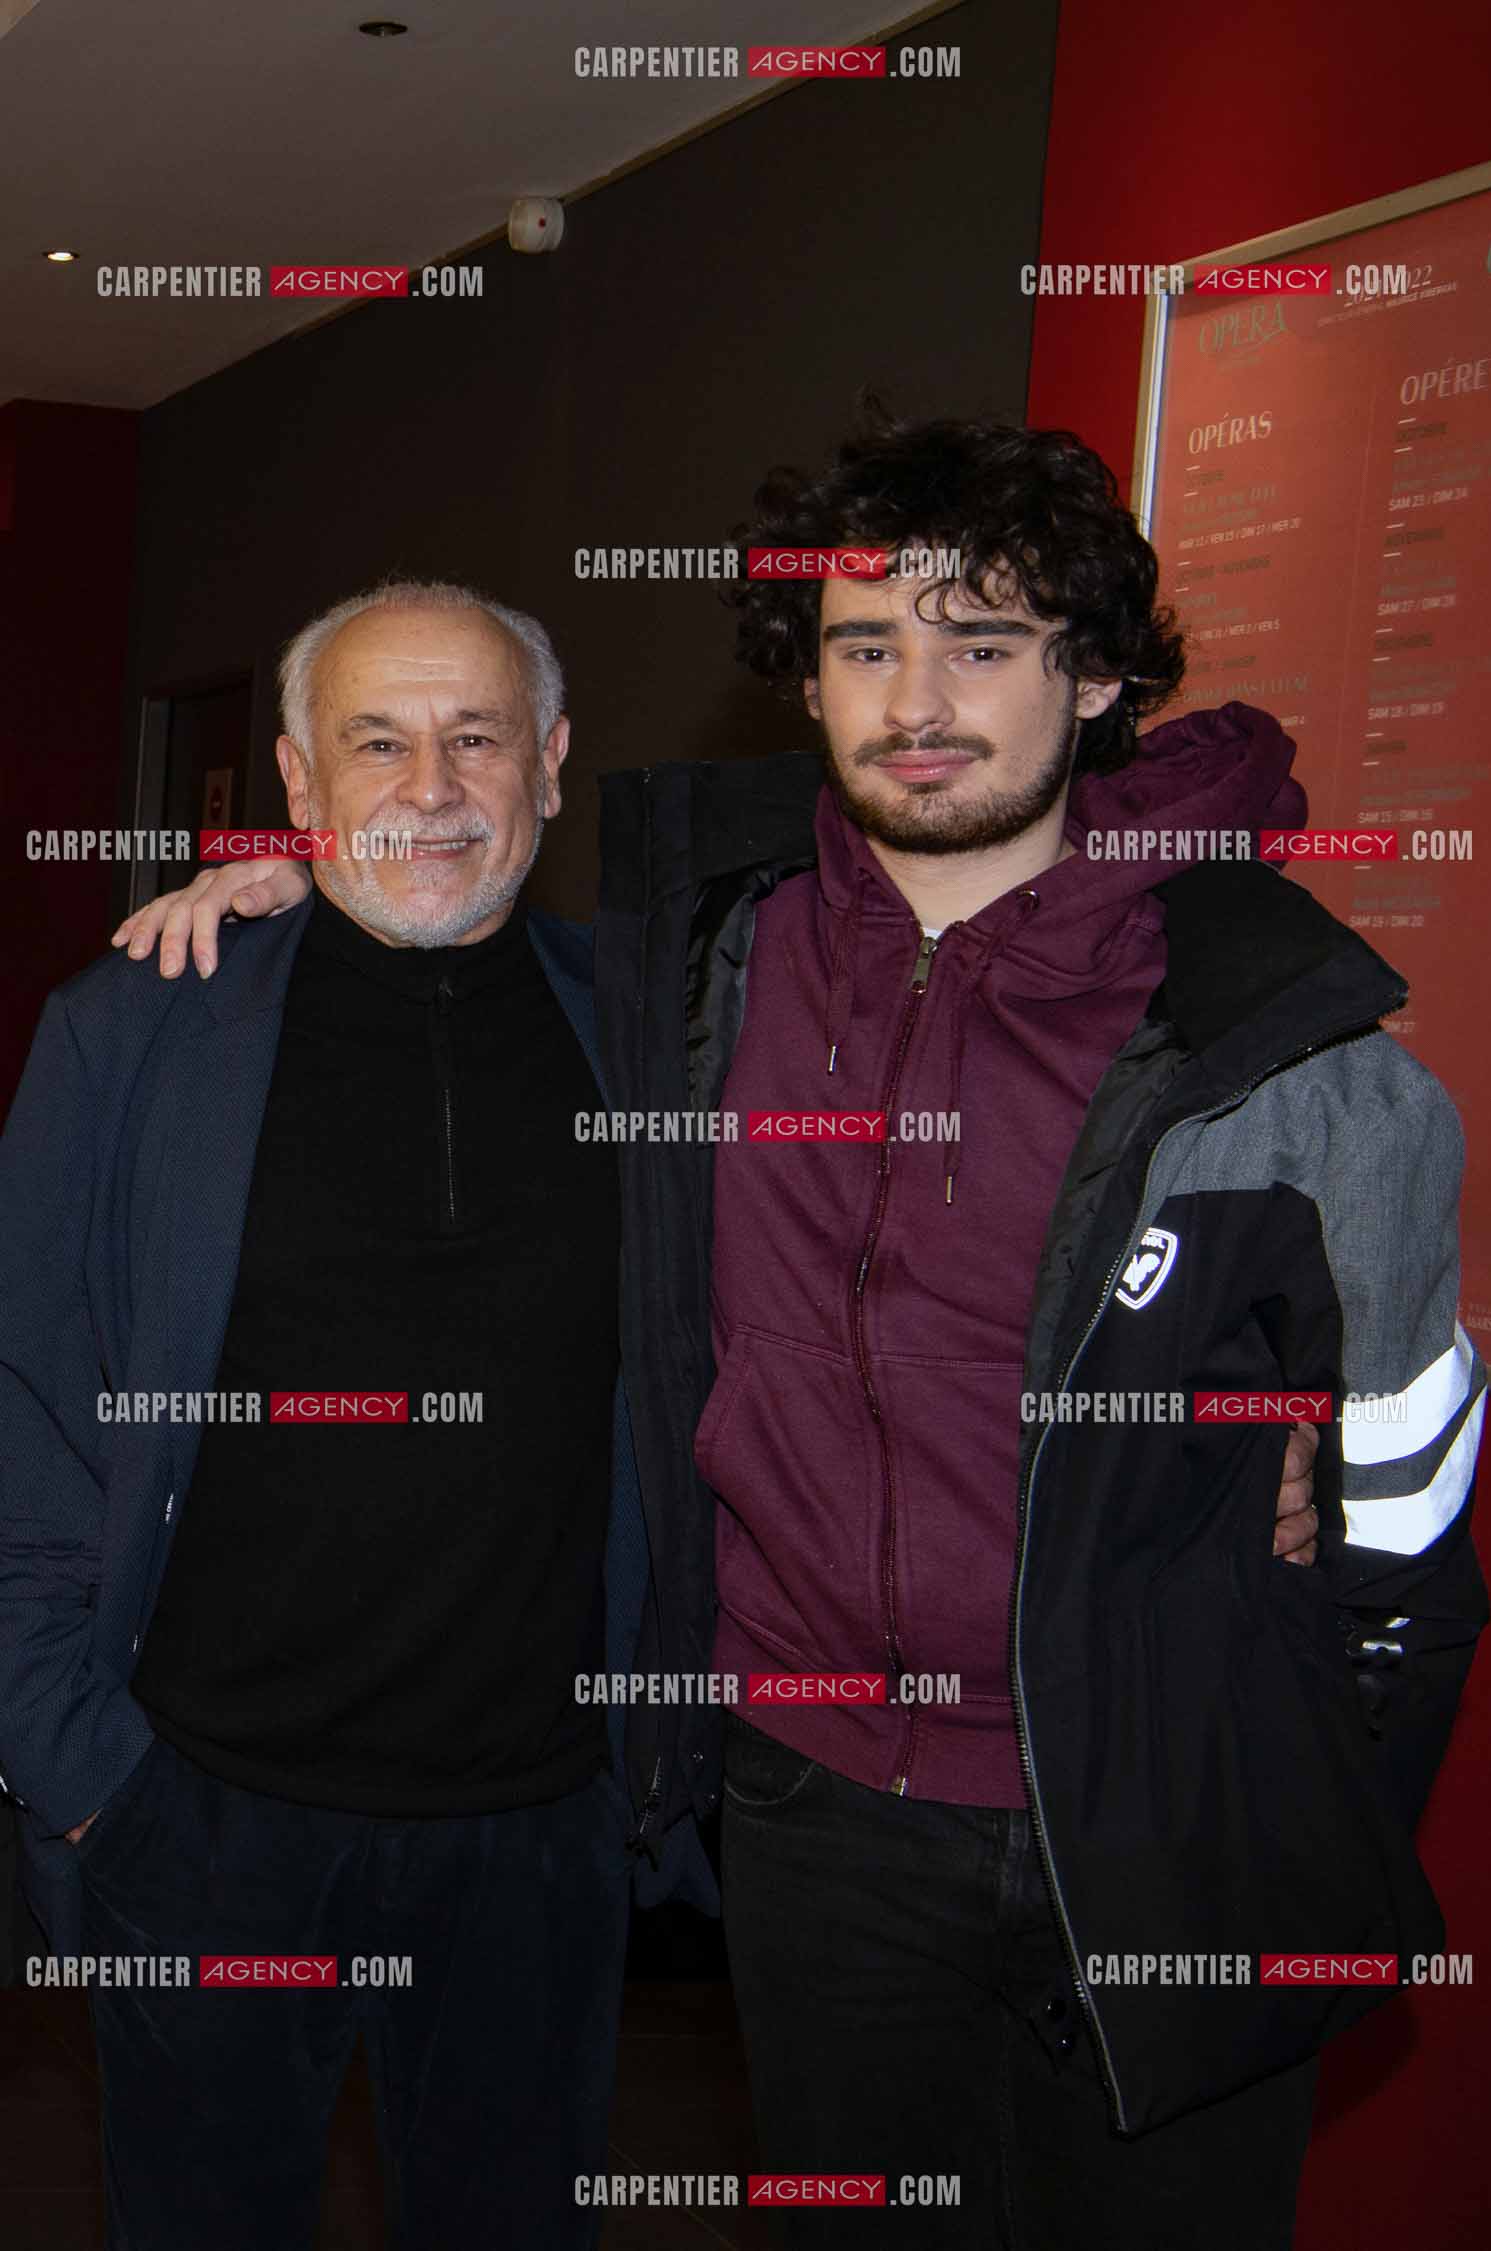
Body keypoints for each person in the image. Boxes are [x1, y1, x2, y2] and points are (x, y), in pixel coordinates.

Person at [109, 416, 1358, 2243]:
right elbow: (437, 867)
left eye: (986, 641)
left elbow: (1400, 1497)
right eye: (867, 647)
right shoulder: (716, 959)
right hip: (808, 1815)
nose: (919, 698)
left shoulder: (1251, 989)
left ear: (1092, 678)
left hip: (1147, 1811)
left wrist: (1281, 1549)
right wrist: (305, 878)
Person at [0, 580, 710, 2251]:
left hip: (541, 1832)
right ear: (298, 789)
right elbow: (23, 1394)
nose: (431, 787)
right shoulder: (138, 1028)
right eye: (374, 744)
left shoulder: (660, 1034)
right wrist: (77, 1769)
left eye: (476, 738)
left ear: (548, 764)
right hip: (198, 1815)